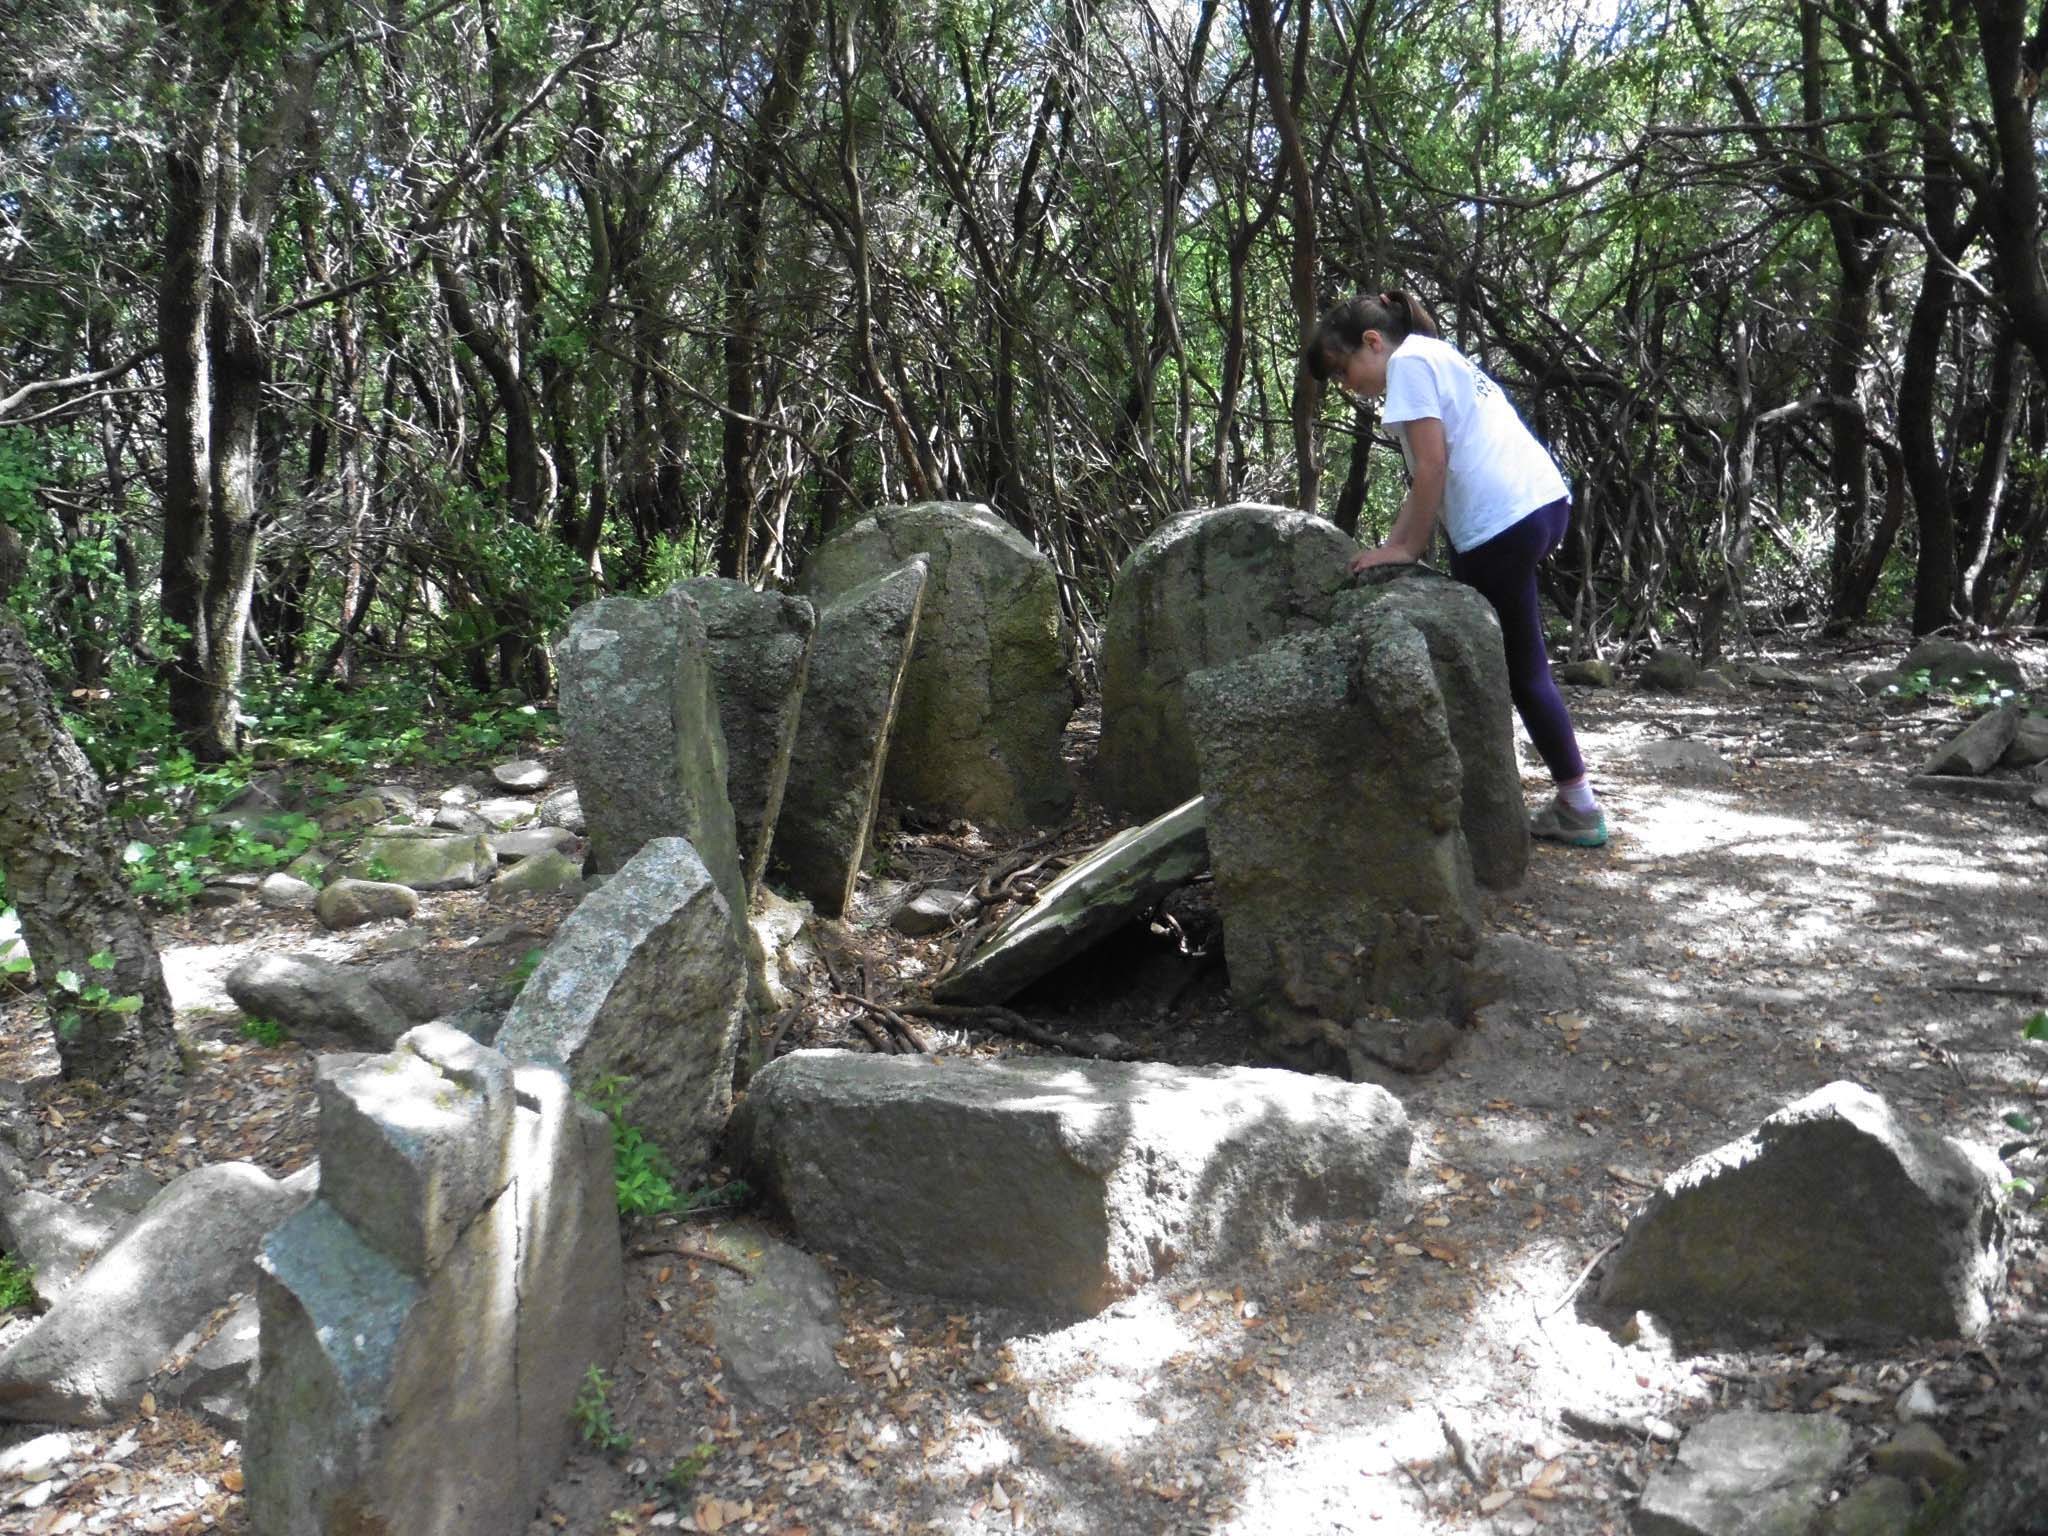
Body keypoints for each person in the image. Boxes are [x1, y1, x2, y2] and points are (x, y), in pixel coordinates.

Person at [1305, 289, 1607, 847]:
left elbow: (1432, 464)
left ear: (1373, 342)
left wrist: (1406, 551)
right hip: (1542, 503)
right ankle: (1562, 798)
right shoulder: (1436, 353)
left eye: (1345, 370)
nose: (1349, 386)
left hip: (1501, 523)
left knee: (1518, 671)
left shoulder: (1410, 364)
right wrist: (1395, 545)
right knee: (1509, 661)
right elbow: (1431, 469)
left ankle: (1578, 807)